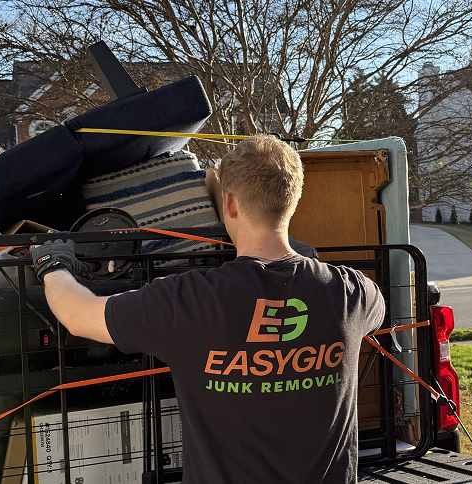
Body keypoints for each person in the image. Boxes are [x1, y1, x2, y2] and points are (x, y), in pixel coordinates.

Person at [31, 134, 386, 483]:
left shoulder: (185, 300)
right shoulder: (352, 292)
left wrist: (53, 265)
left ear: (229, 204)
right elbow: (376, 314)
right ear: (293, 200)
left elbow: (78, 316)